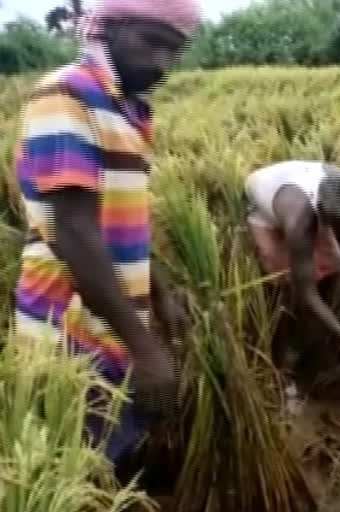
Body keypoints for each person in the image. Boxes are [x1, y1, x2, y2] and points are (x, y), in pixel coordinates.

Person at [12, 0, 201, 483]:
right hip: (68, 330)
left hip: (112, 321)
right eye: (150, 42)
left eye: (173, 52)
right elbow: (75, 232)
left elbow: (119, 221)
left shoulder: (124, 109)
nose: (160, 62)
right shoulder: (67, 94)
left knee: (110, 455)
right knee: (75, 469)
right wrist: (146, 349)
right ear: (109, 28)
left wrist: (161, 287)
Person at [244, 160, 340, 408]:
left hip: (296, 187)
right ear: (323, 215)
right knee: (286, 283)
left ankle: (315, 336)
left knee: (336, 266)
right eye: (336, 228)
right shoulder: (298, 222)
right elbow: (308, 294)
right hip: (265, 206)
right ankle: (285, 358)